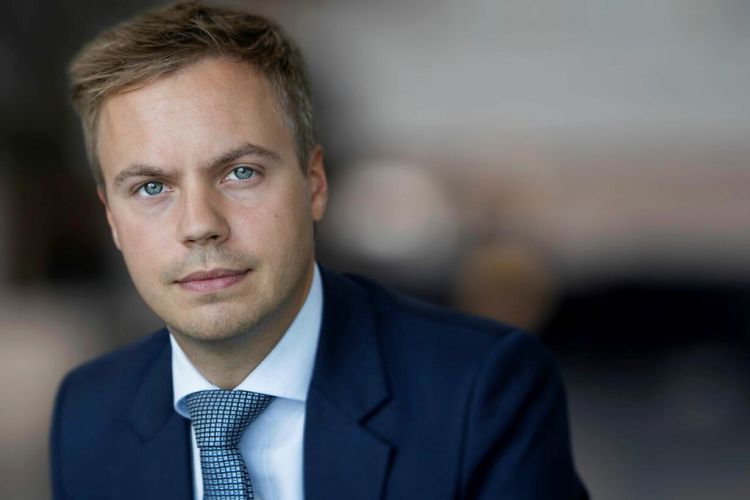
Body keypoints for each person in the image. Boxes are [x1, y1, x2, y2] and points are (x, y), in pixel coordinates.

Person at [50, 2, 588, 499]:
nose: (199, 226)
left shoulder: (482, 392)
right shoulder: (87, 414)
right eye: (150, 188)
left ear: (314, 183)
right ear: (111, 218)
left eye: (241, 173)